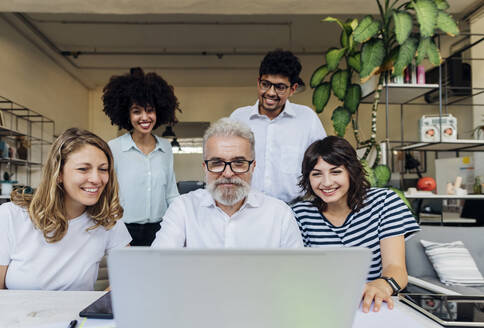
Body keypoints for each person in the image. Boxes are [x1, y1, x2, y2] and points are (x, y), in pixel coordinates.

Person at [0, 128, 131, 290]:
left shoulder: (107, 220)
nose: (96, 179)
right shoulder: (10, 216)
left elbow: (130, 274)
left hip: (77, 315)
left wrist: (100, 305)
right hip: (17, 314)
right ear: (58, 173)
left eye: (103, 169)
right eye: (83, 169)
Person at [292, 136, 419, 313]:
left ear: (351, 171)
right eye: (316, 174)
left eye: (336, 172)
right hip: (322, 308)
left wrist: (381, 286)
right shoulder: (299, 214)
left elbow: (396, 268)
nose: (326, 182)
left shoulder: (385, 202)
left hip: (373, 307)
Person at [153, 118, 303, 248]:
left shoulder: (279, 214)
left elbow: (296, 273)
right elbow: (159, 264)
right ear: (205, 167)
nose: (228, 173)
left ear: (253, 166)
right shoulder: (183, 208)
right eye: (217, 162)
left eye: (239, 162)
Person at [230, 49, 326, 203]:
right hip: (245, 208)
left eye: (280, 87)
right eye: (265, 84)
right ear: (258, 82)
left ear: (292, 89)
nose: (270, 93)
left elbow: (323, 163)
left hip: (294, 210)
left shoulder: (307, 119)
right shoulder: (238, 118)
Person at [103, 67, 180, 246]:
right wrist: (117, 234)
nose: (144, 117)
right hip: (123, 229)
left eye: (149, 110)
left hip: (160, 230)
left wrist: (177, 228)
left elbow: (171, 194)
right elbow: (106, 196)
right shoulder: (113, 148)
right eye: (137, 111)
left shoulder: (166, 148)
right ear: (127, 114)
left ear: (158, 112)